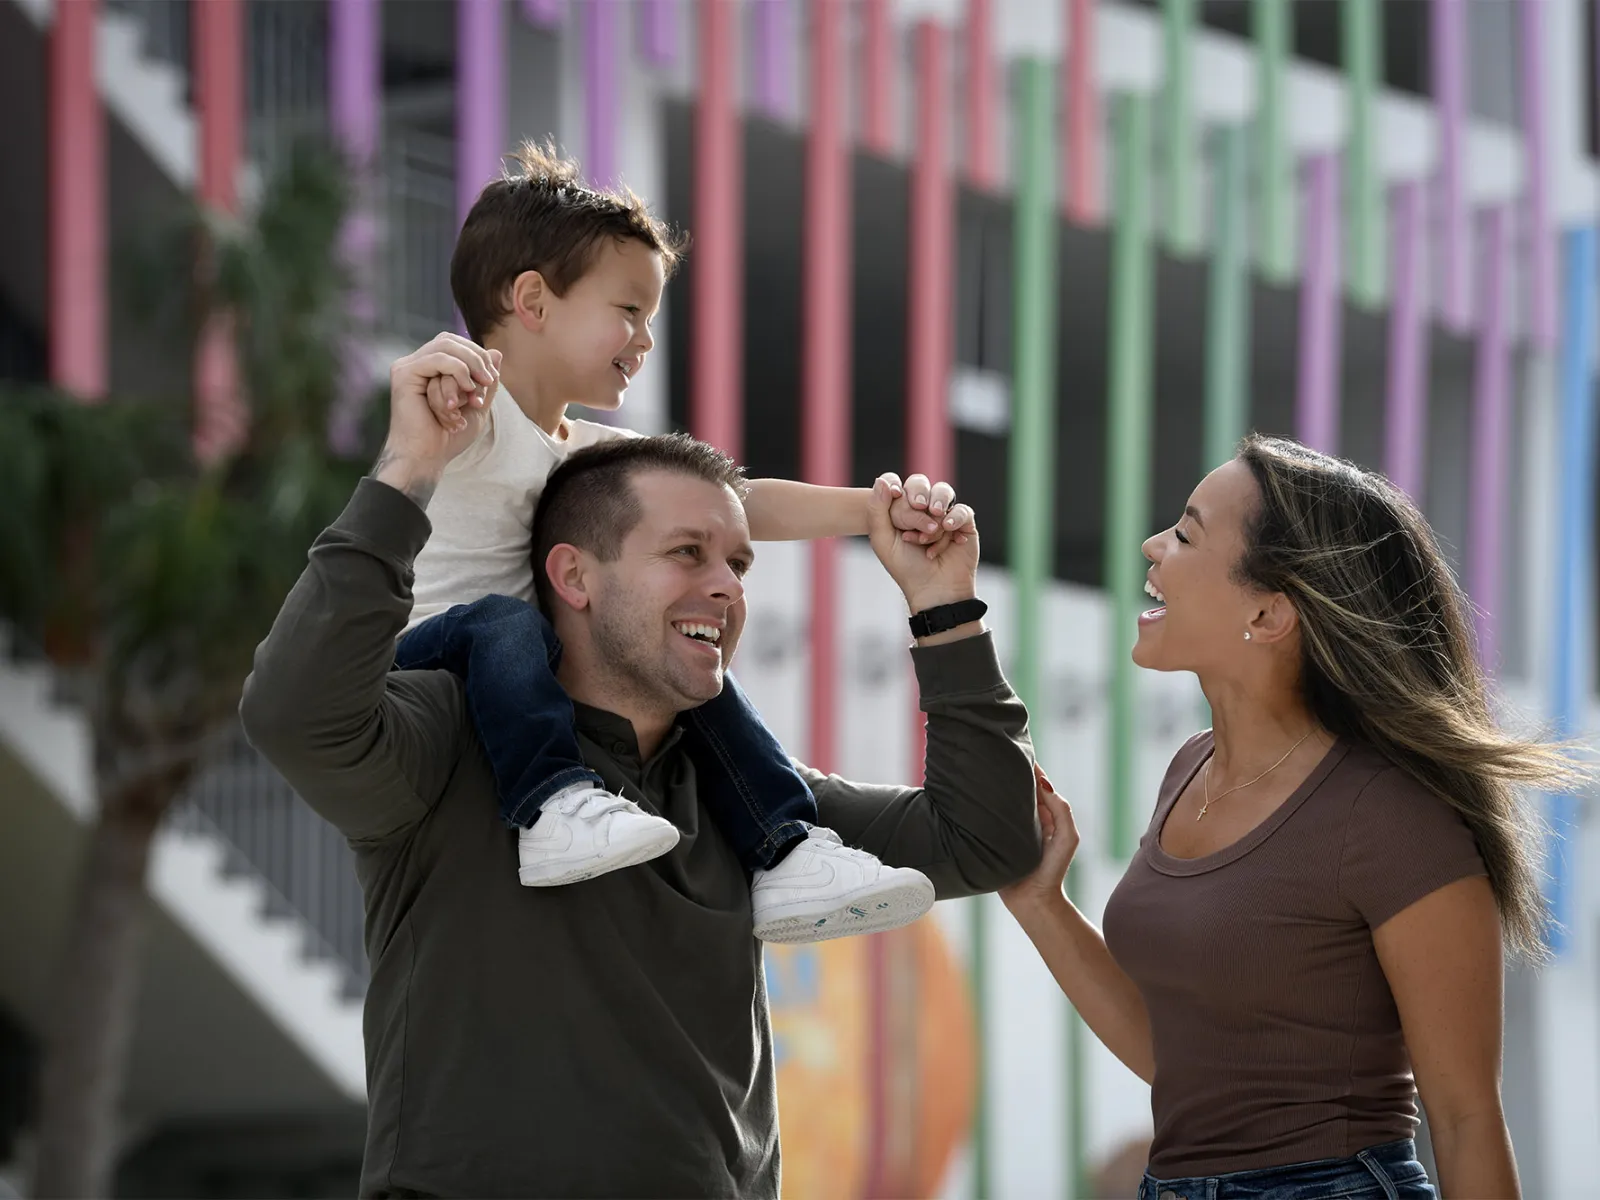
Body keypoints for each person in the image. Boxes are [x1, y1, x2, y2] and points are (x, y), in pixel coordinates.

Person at [237, 337, 1043, 1198]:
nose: (729, 587)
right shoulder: (449, 738)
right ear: (573, 577)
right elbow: (295, 714)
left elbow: (987, 841)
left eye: (738, 562)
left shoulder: (756, 803)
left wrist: (945, 608)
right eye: (687, 553)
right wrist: (406, 469)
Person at [391, 142, 962, 941]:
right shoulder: (468, 416)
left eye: (651, 318)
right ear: (532, 299)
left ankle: (787, 851)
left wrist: (870, 511)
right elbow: (413, 438)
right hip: (428, 663)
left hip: (524, 678)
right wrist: (442, 377)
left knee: (690, 669)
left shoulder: (588, 453)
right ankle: (553, 804)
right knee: (505, 621)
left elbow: (738, 500)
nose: (646, 339)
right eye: (628, 311)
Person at [1001, 436, 1576, 1200]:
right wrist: (1041, 901)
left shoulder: (1391, 816)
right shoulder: (1190, 770)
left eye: (1185, 533)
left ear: (1269, 612)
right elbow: (1173, 1059)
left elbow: (1466, 1118)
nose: (1152, 545)